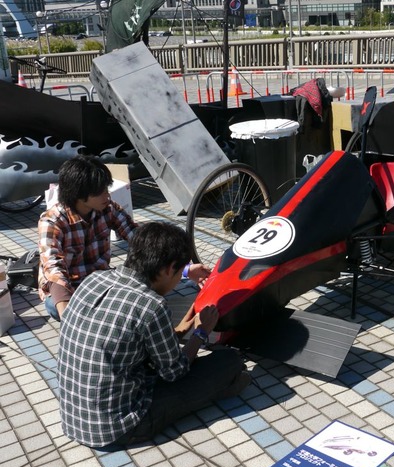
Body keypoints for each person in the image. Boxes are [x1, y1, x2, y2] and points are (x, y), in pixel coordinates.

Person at [57, 221, 251, 447]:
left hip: (73, 419)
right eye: (180, 271)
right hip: (118, 428)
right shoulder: (151, 305)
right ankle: (220, 387)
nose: (180, 278)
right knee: (228, 361)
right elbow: (175, 371)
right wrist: (201, 332)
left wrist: (184, 327)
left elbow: (135, 342)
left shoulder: (94, 279)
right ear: (169, 269)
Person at [38, 155, 209, 321]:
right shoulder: (52, 221)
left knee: (154, 282)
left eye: (107, 188)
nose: (108, 195)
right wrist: (68, 317)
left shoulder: (108, 209)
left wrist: (182, 269)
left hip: (102, 282)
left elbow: (141, 241)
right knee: (56, 307)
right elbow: (54, 270)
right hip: (70, 288)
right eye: (101, 192)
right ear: (79, 195)